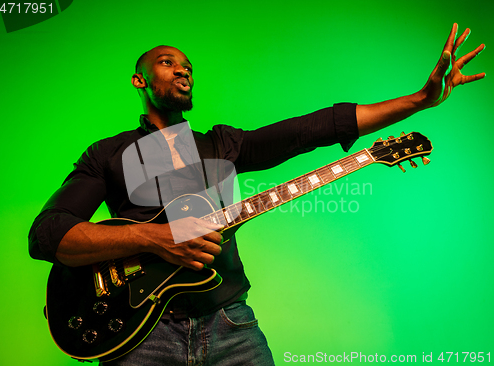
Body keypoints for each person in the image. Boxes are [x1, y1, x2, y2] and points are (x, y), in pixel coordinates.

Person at [29, 24, 484, 365]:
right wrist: (154, 239)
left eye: (188, 64)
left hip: (230, 324)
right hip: (140, 334)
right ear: (140, 80)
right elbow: (48, 235)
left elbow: (313, 129)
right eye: (168, 61)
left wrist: (419, 101)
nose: (183, 67)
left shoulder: (223, 145)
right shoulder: (107, 154)